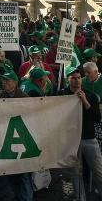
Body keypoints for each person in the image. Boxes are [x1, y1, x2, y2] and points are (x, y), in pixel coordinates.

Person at [63, 67, 102, 201]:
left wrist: (85, 101)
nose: (76, 81)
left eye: (79, 78)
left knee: (98, 170)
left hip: (88, 138)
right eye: (73, 78)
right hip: (70, 140)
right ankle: (81, 198)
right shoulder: (61, 95)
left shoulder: (90, 95)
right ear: (68, 80)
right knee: (75, 173)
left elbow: (97, 118)